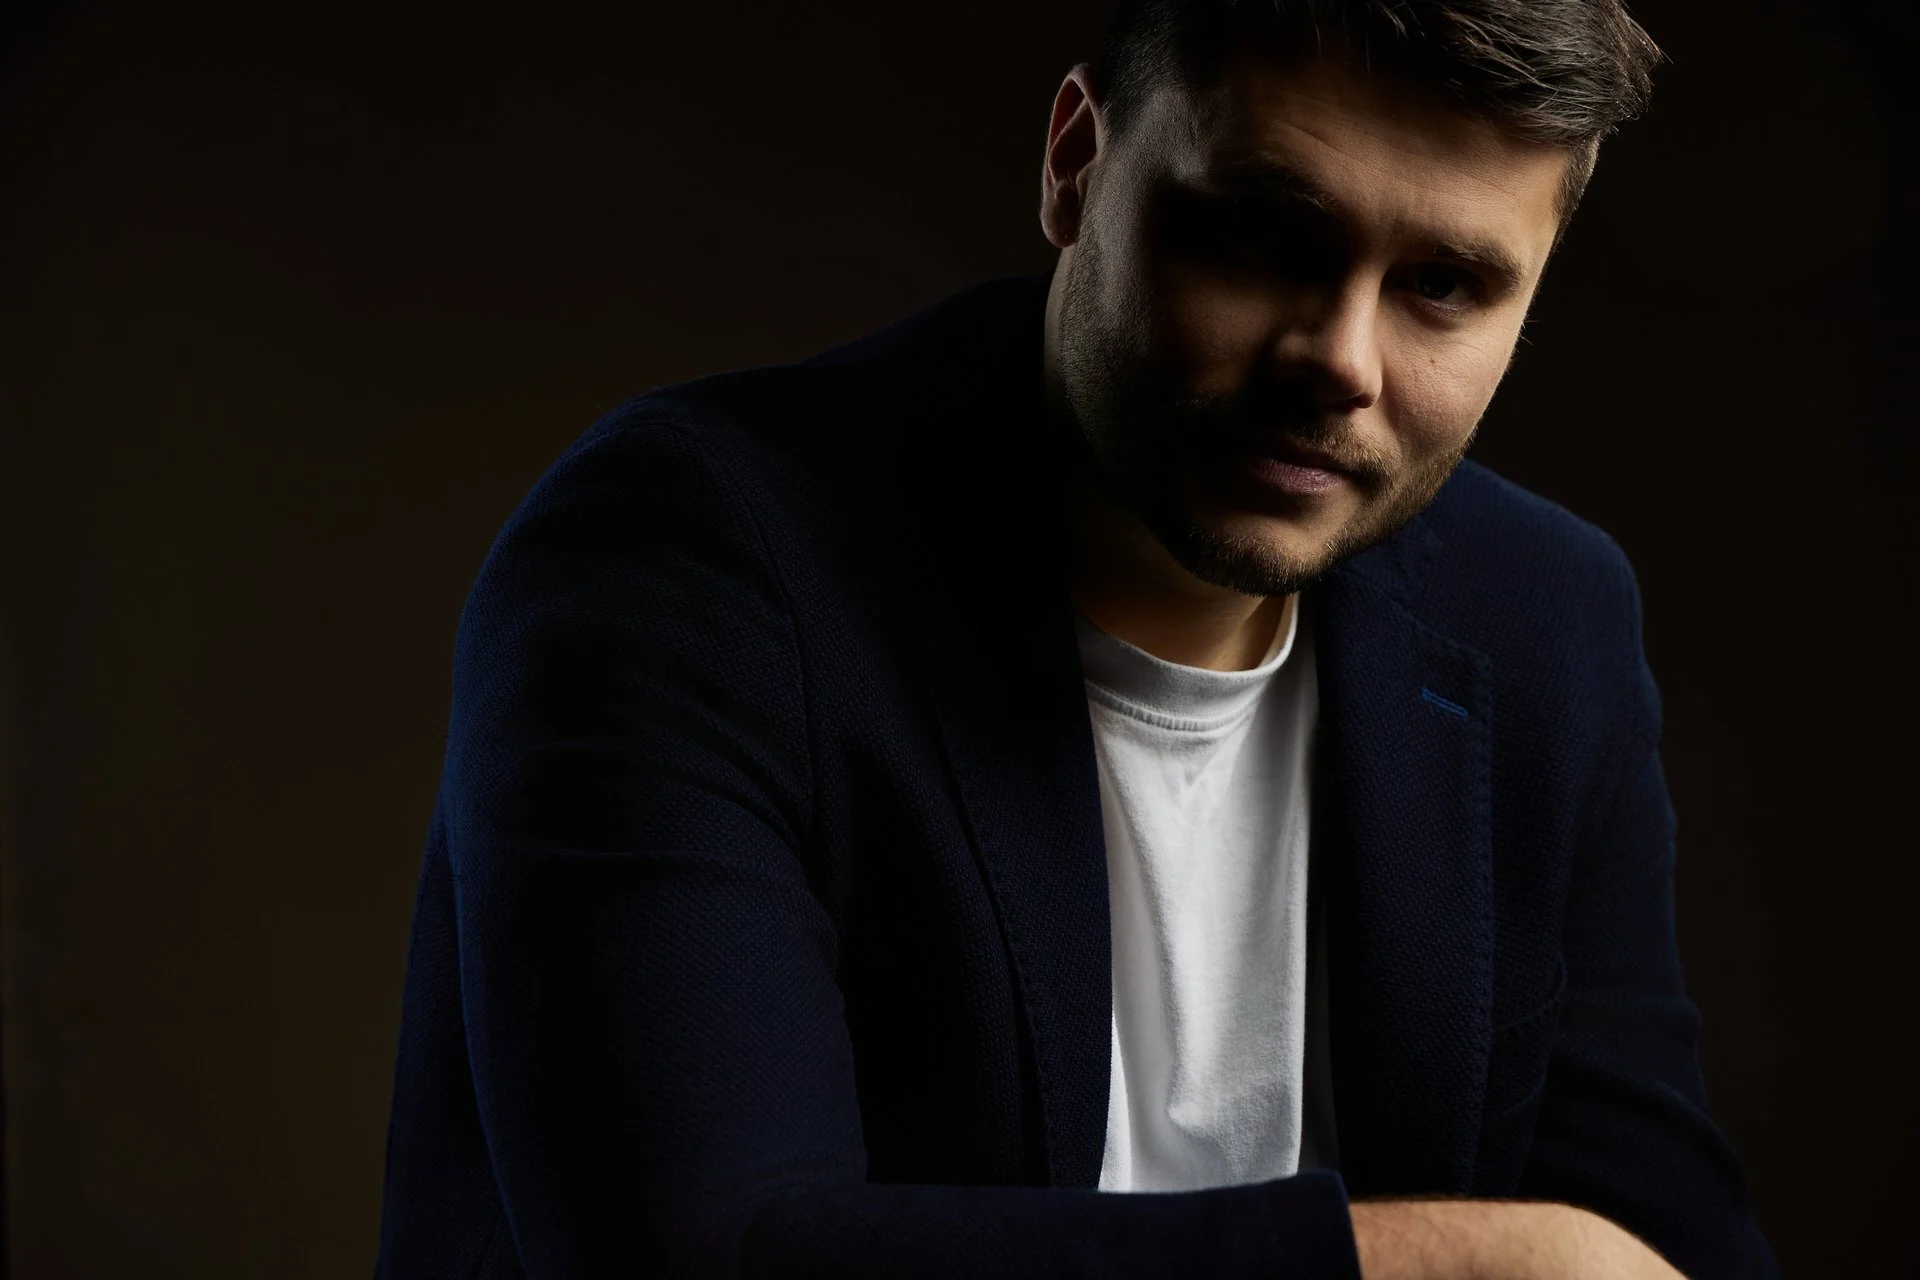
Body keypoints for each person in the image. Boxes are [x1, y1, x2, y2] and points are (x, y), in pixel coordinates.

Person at [376, 2, 1777, 1276]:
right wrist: (1455, 1266)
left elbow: (1667, 1243)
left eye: (1446, 286)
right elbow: (711, 1253)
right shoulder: (685, 557)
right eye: (1265, 234)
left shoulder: (1543, 619)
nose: (1339, 362)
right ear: (1074, 161)